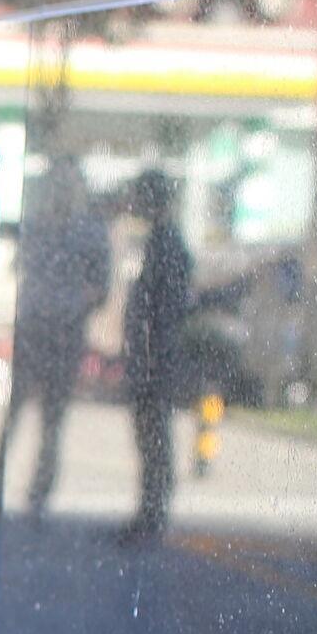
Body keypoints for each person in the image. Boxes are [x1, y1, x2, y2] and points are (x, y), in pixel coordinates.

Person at [0, 154, 111, 519]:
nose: (60, 193)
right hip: (33, 329)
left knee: (51, 421)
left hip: (64, 332)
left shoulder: (89, 233)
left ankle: (38, 498)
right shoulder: (40, 227)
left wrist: (70, 307)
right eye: (54, 185)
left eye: (66, 185)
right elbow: (22, 272)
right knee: (15, 415)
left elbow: (100, 288)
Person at [120, 164, 193, 545]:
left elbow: (166, 307)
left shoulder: (167, 243)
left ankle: (152, 514)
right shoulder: (161, 241)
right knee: (150, 437)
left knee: (154, 438)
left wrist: (149, 355)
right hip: (152, 356)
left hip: (156, 358)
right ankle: (149, 513)